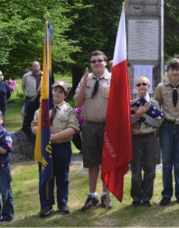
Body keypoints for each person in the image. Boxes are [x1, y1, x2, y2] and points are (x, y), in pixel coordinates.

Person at [32, 81, 80, 217]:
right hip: (44, 148)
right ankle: (46, 205)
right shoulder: (42, 108)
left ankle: (62, 203)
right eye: (55, 90)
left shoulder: (69, 110)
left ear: (65, 95)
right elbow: (33, 127)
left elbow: (73, 128)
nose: (57, 93)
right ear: (50, 91)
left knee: (62, 176)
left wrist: (52, 137)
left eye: (61, 91)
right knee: (45, 176)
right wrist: (43, 136)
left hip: (62, 147)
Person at [74, 50, 113, 210]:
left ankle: (105, 195)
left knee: (106, 162)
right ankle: (92, 195)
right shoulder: (86, 80)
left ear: (105, 62)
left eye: (99, 60)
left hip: (107, 126)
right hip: (89, 126)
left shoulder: (113, 79)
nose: (96, 63)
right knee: (91, 162)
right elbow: (77, 102)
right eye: (93, 61)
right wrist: (84, 83)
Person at [154, 58, 179, 206]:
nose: (175, 72)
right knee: (167, 163)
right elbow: (156, 108)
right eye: (172, 69)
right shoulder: (161, 87)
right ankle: (166, 194)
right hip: (167, 127)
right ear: (168, 71)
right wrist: (157, 130)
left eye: (178, 69)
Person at [130, 75, 163, 207]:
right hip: (136, 138)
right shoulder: (131, 103)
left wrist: (144, 116)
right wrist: (137, 115)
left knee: (150, 169)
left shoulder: (154, 103)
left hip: (150, 137)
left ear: (149, 86)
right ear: (135, 87)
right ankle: (136, 198)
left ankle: (147, 198)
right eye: (138, 84)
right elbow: (127, 122)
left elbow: (158, 122)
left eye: (144, 84)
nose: (141, 86)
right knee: (136, 170)